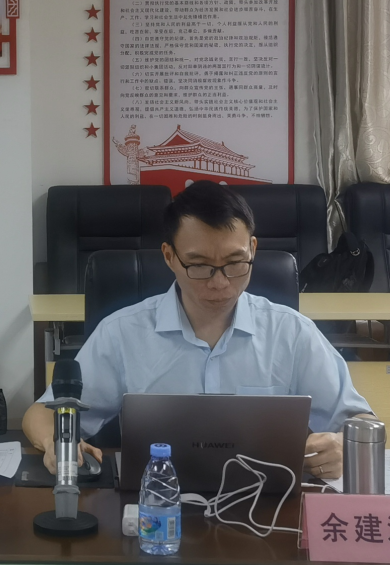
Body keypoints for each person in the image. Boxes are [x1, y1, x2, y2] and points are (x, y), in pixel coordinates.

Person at [19, 181, 369, 480]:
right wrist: (56, 443)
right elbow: (42, 414)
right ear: (170, 257)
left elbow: (361, 421)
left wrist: (344, 445)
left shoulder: (291, 332)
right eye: (200, 266)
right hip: (155, 503)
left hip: (267, 506)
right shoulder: (123, 333)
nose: (220, 283)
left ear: (253, 249)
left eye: (235, 263)